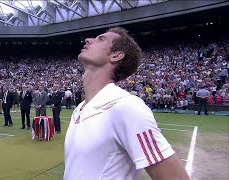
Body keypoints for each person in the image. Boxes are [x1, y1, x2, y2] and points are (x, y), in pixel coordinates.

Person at [64, 27, 189, 180]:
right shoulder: (80, 108)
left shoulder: (126, 107)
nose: (88, 40)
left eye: (101, 39)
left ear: (116, 55)